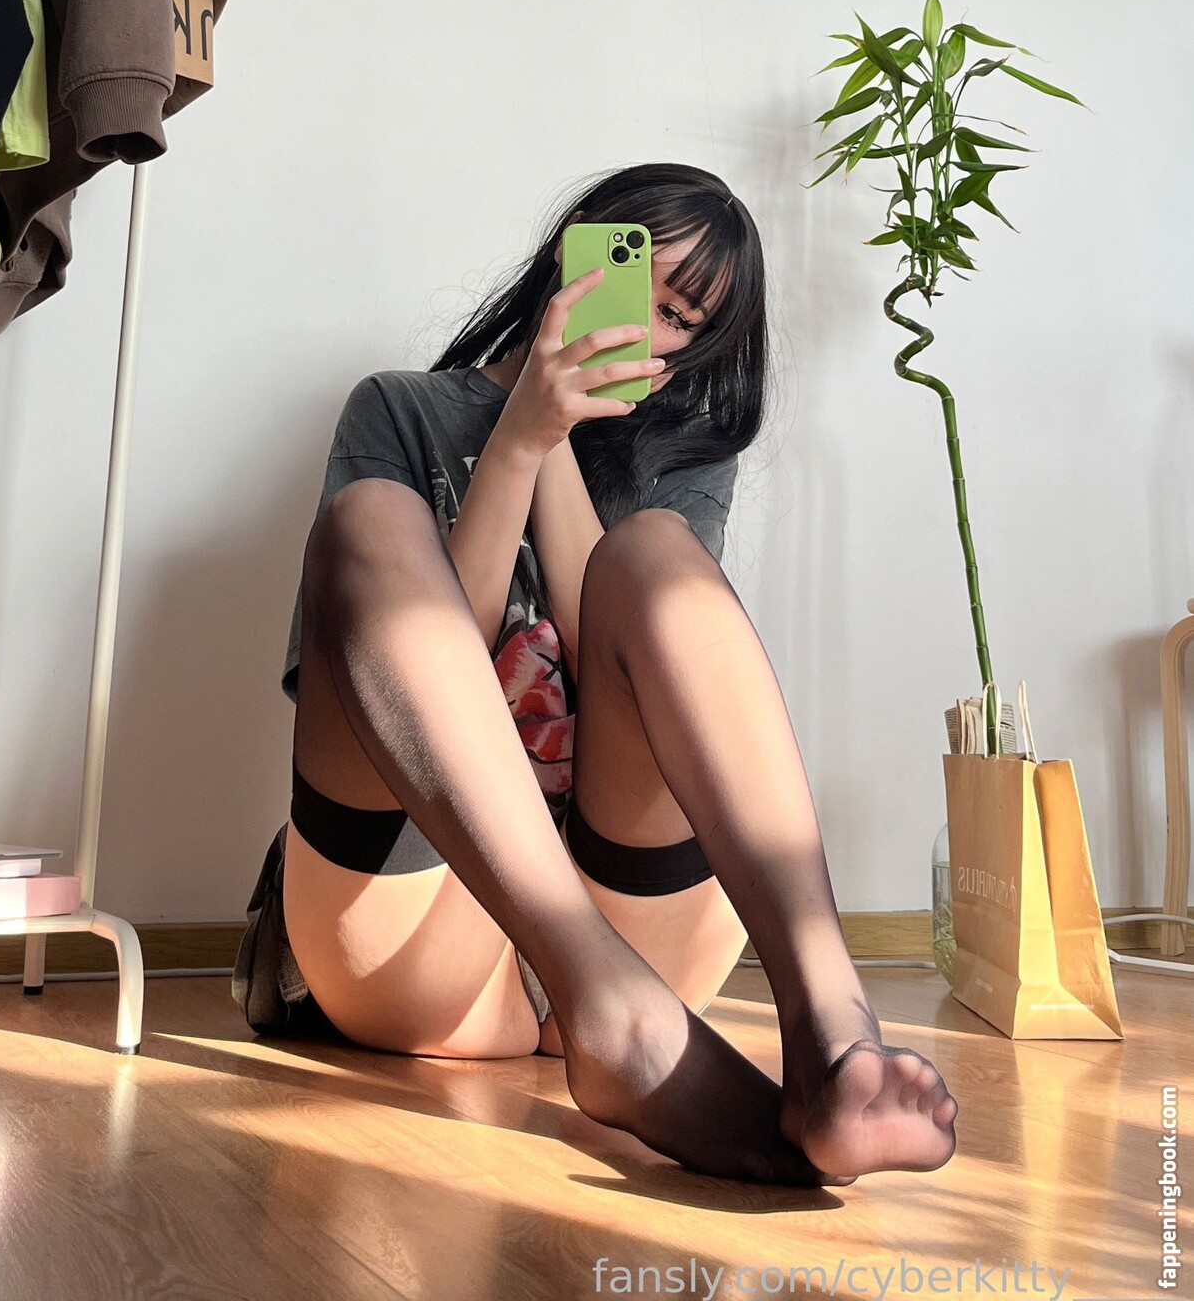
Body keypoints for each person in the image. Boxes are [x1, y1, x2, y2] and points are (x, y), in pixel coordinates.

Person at [280, 161, 957, 1185]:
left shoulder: (686, 453)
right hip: (417, 928)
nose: (649, 323)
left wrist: (558, 443)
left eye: (680, 318)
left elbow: (619, 680)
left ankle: (833, 1039)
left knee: (652, 555)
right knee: (369, 519)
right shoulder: (401, 410)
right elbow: (426, 671)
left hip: (639, 923)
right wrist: (520, 434)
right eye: (635, 277)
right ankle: (609, 1015)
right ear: (578, 253)